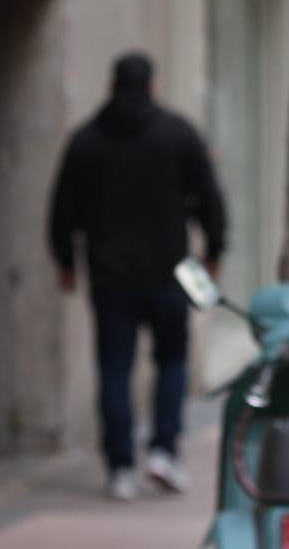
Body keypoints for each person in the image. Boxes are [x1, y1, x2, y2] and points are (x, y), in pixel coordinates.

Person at [48, 52, 226, 501]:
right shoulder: (177, 134)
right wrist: (214, 251)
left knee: (114, 369)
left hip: (110, 279)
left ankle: (120, 466)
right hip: (168, 274)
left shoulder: (86, 141)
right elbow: (209, 197)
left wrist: (66, 262)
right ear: (152, 86)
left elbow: (62, 209)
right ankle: (164, 451)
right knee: (171, 363)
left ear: (111, 86)